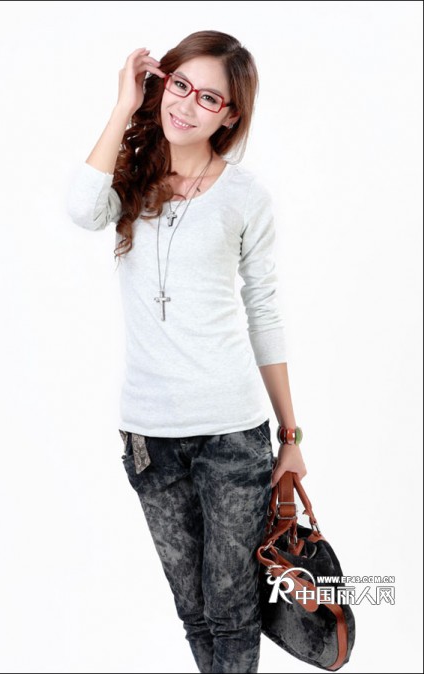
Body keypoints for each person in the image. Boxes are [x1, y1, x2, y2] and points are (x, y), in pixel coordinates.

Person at [67, 30, 307, 674]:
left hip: (232, 433)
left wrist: (290, 435)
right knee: (194, 611)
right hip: (150, 436)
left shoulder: (245, 196)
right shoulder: (132, 181)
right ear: (161, 85)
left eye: (208, 98)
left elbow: (265, 313)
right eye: (180, 85)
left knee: (232, 612)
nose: (187, 105)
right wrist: (124, 105)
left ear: (229, 115)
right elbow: (81, 208)